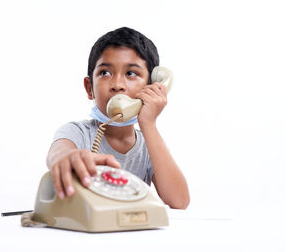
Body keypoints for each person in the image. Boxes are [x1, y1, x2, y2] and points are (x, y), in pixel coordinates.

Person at [46, 27, 189, 209]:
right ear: (89, 88)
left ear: (153, 87)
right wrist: (68, 157)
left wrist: (149, 123)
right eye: (105, 73)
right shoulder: (76, 133)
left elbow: (179, 201)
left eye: (131, 73)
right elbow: (58, 153)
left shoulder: (150, 144)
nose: (117, 85)